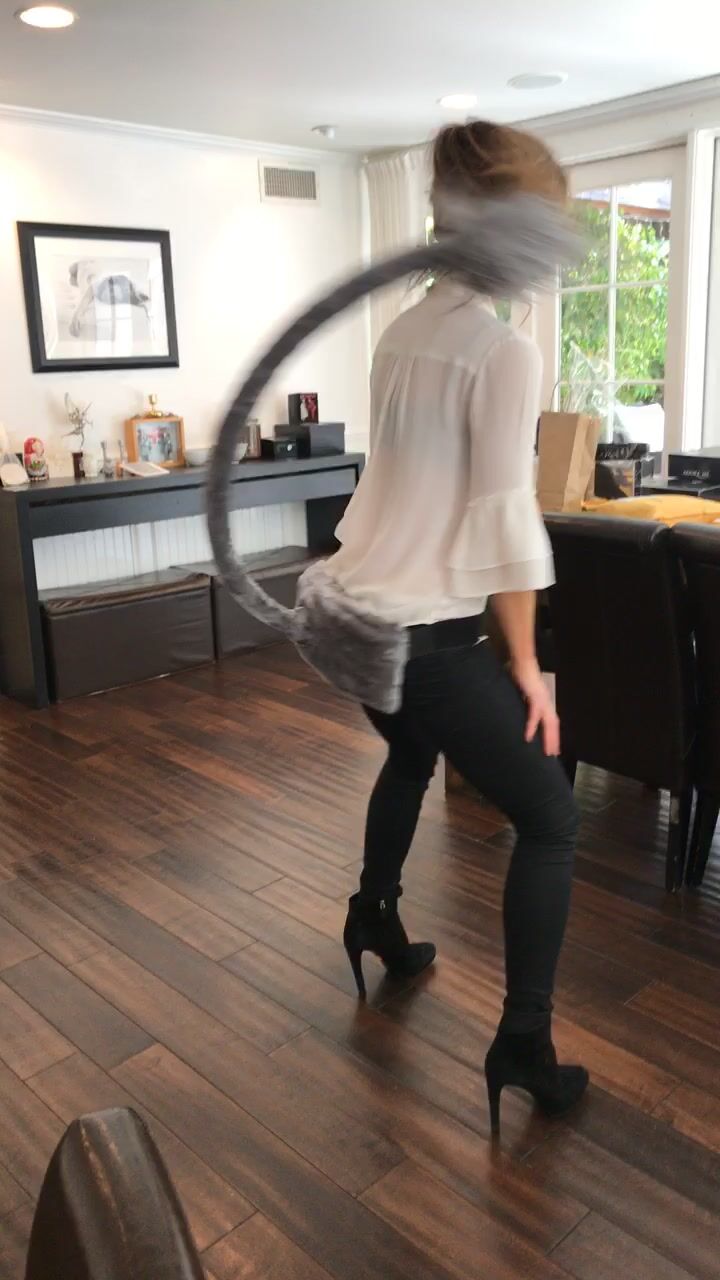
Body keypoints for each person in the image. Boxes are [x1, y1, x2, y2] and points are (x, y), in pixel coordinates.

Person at [326, 120, 588, 1135]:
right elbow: (501, 517)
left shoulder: (402, 329)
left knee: (410, 757)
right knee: (552, 818)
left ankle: (374, 913)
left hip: (358, 621)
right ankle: (524, 1042)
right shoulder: (502, 348)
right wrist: (523, 663)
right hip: (426, 636)